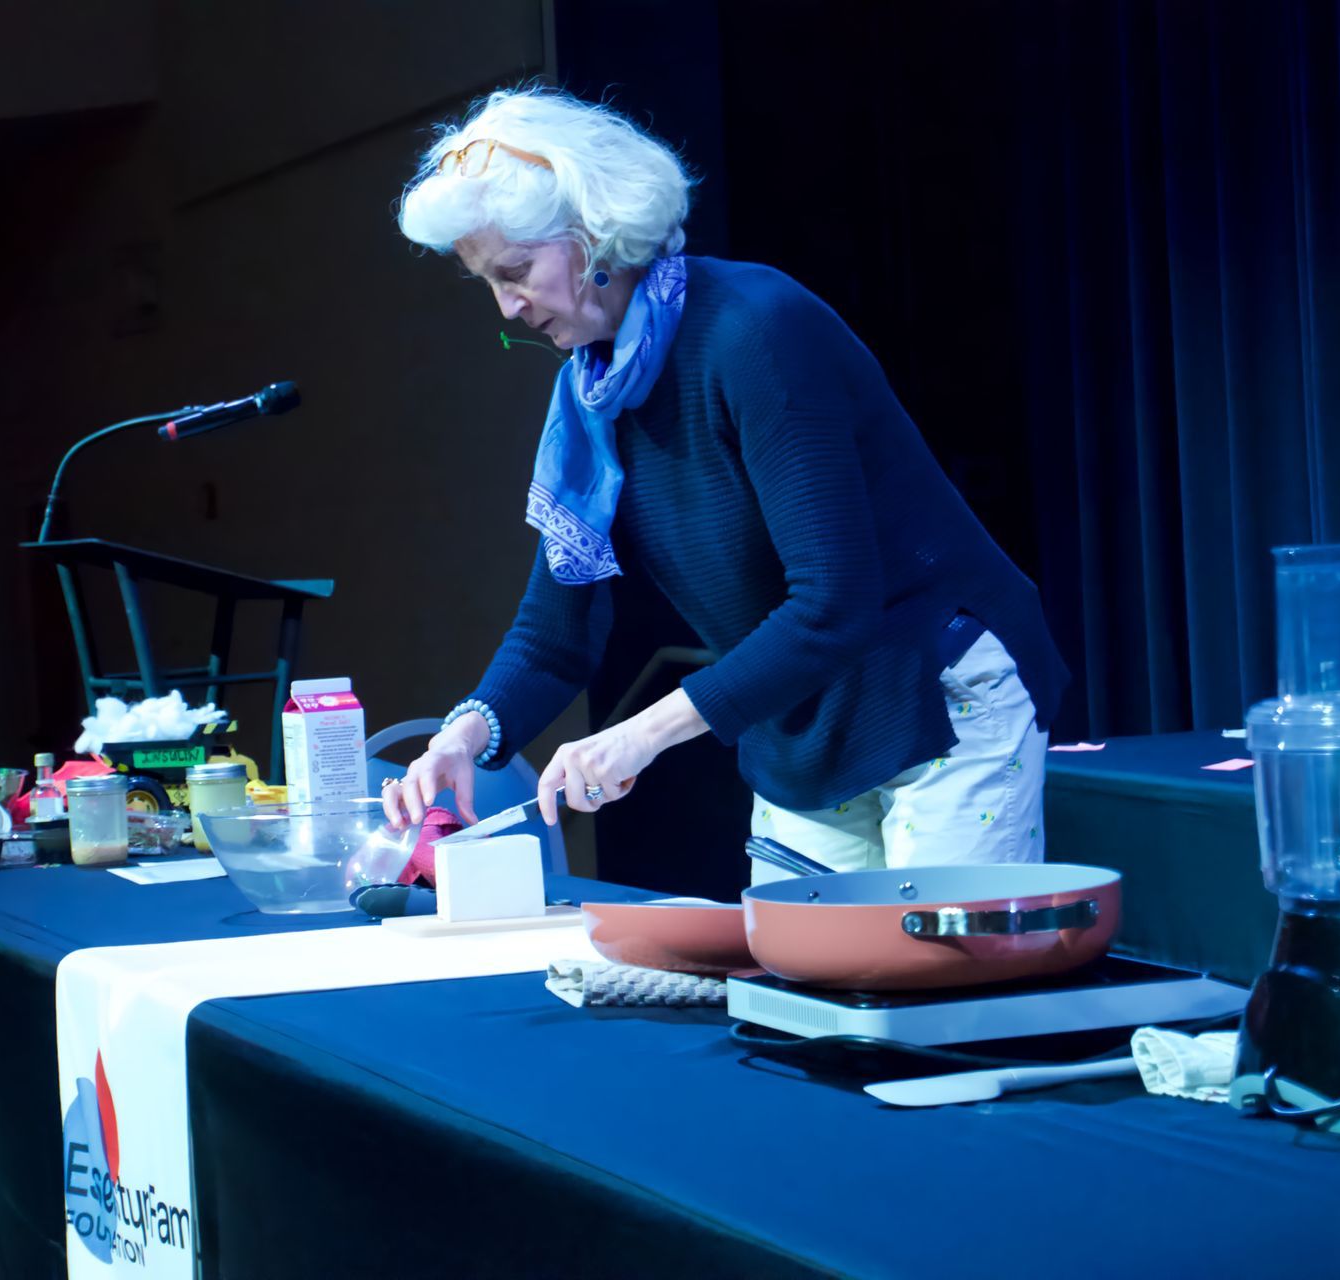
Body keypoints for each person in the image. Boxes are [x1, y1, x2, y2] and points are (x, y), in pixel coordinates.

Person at [381, 87, 1068, 877]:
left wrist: (641, 733)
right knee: (802, 994)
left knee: (934, 987)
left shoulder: (755, 330)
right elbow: (553, 636)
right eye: (489, 283)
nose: (508, 306)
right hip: (800, 724)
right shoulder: (591, 394)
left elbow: (833, 603)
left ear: (594, 234)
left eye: (516, 271)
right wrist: (461, 737)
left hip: (933, 695)